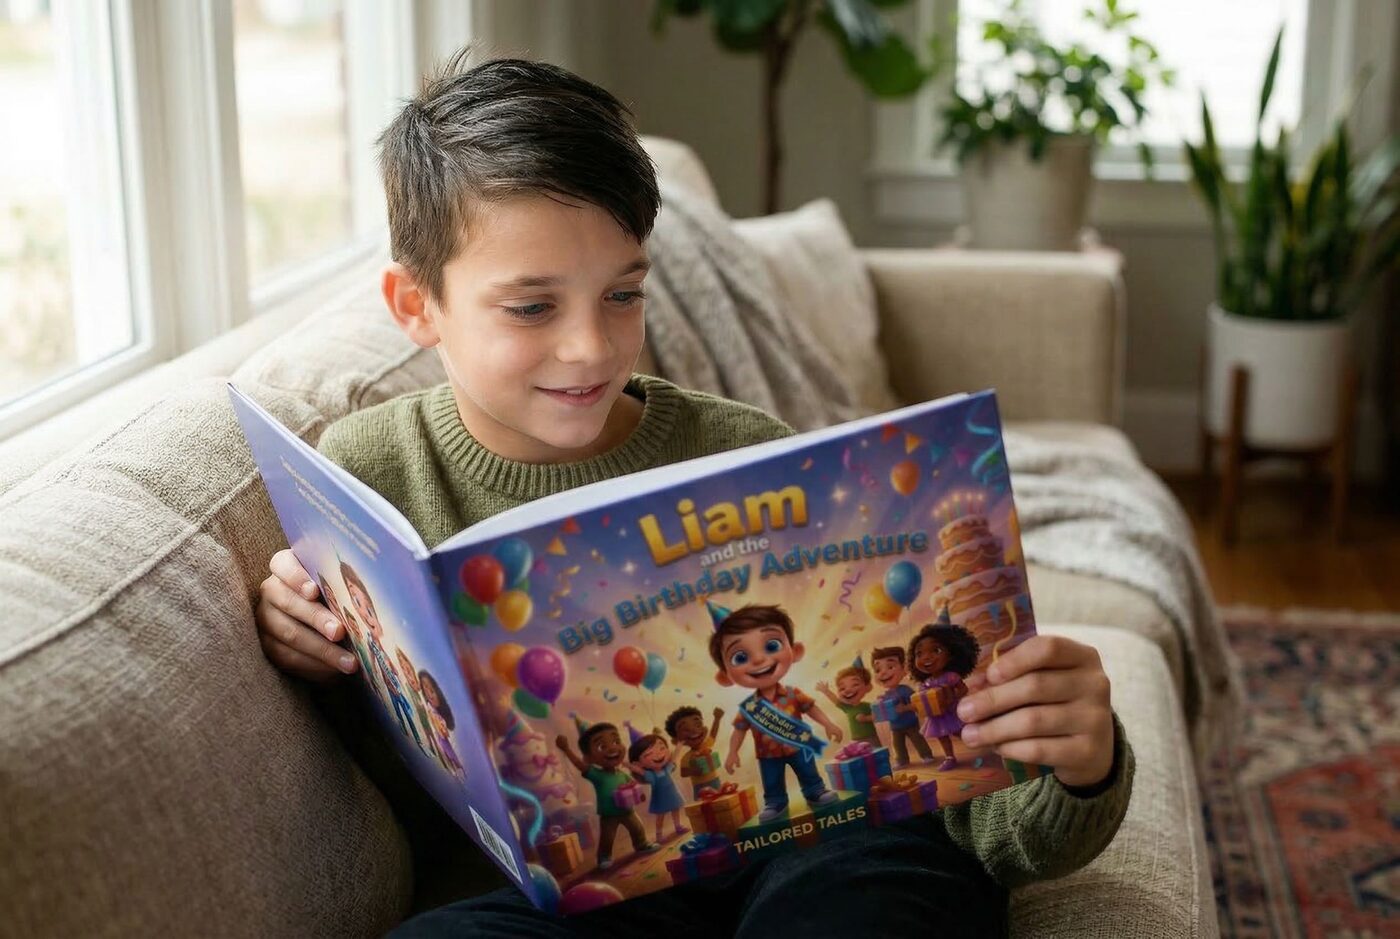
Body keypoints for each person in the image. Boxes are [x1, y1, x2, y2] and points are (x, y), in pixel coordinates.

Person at [252, 50, 1134, 938]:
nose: (591, 348)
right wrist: (309, 638)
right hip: (563, 902)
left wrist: (1079, 767)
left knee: (869, 894)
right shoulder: (365, 471)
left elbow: (988, 824)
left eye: (623, 294)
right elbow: (398, 747)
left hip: (823, 858)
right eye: (532, 308)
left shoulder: (747, 453)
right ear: (416, 305)